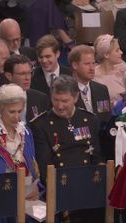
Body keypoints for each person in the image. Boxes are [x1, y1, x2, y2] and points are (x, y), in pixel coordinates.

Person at [29, 75, 103, 222]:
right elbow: (44, 166)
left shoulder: (89, 119)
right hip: (60, 189)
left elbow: (97, 156)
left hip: (89, 186)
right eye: (55, 100)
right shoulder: (40, 124)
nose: (60, 105)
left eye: (64, 101)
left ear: (75, 98)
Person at [0, 84, 43, 222]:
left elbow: (33, 168)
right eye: (12, 112)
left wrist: (35, 189)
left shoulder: (26, 133)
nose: (17, 117)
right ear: (0, 110)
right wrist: (15, 193)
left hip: (28, 197)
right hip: (0, 200)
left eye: (20, 111)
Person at [0, 55, 49, 124]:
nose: (27, 78)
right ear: (9, 76)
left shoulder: (40, 98)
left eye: (29, 73)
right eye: (22, 74)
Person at [69, 44, 111, 126]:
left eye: (93, 63)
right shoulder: (66, 91)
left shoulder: (101, 90)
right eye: (87, 64)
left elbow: (106, 118)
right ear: (75, 65)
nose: (92, 68)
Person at [93, 34, 126, 106]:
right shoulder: (93, 76)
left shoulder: (123, 70)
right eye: (117, 50)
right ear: (106, 55)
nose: (121, 52)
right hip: (105, 114)